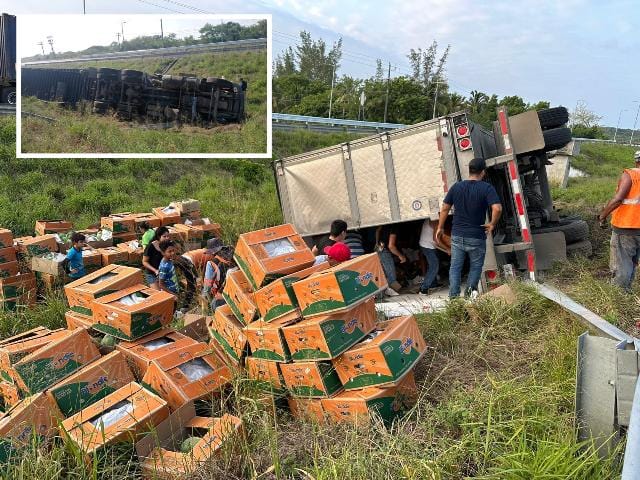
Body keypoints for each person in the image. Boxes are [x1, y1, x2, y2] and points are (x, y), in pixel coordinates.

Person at [437, 158, 502, 298]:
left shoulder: (456, 187)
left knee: (455, 267)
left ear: (470, 170)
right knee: (476, 267)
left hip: (457, 235)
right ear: (483, 172)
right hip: (476, 236)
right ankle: (469, 296)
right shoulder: (486, 188)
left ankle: (454, 298)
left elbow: (444, 208)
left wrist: (440, 227)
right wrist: (492, 224)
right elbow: (497, 208)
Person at [598, 150, 640, 291]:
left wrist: (603, 215)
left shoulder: (631, 174)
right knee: (632, 261)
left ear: (636, 161)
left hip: (627, 227)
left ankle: (617, 295)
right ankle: (627, 290)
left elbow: (617, 199)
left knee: (621, 263)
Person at [201, 238, 234, 311]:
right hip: (236, 293)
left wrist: (205, 302)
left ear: (212, 252)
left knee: (214, 304)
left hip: (223, 296)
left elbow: (207, 286)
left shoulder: (211, 263)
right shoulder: (233, 256)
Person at [376, 224, 405, 295]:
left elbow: (377, 230)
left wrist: (377, 244)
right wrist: (401, 256)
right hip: (385, 251)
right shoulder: (394, 226)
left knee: (383, 274)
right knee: (391, 276)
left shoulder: (385, 223)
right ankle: (385, 292)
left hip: (379, 249)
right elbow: (391, 246)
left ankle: (381, 293)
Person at [418, 219, 441, 295]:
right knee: (434, 265)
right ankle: (423, 288)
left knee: (432, 264)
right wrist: (447, 249)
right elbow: (436, 239)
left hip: (429, 245)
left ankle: (433, 284)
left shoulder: (430, 219)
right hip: (427, 246)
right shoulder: (435, 220)